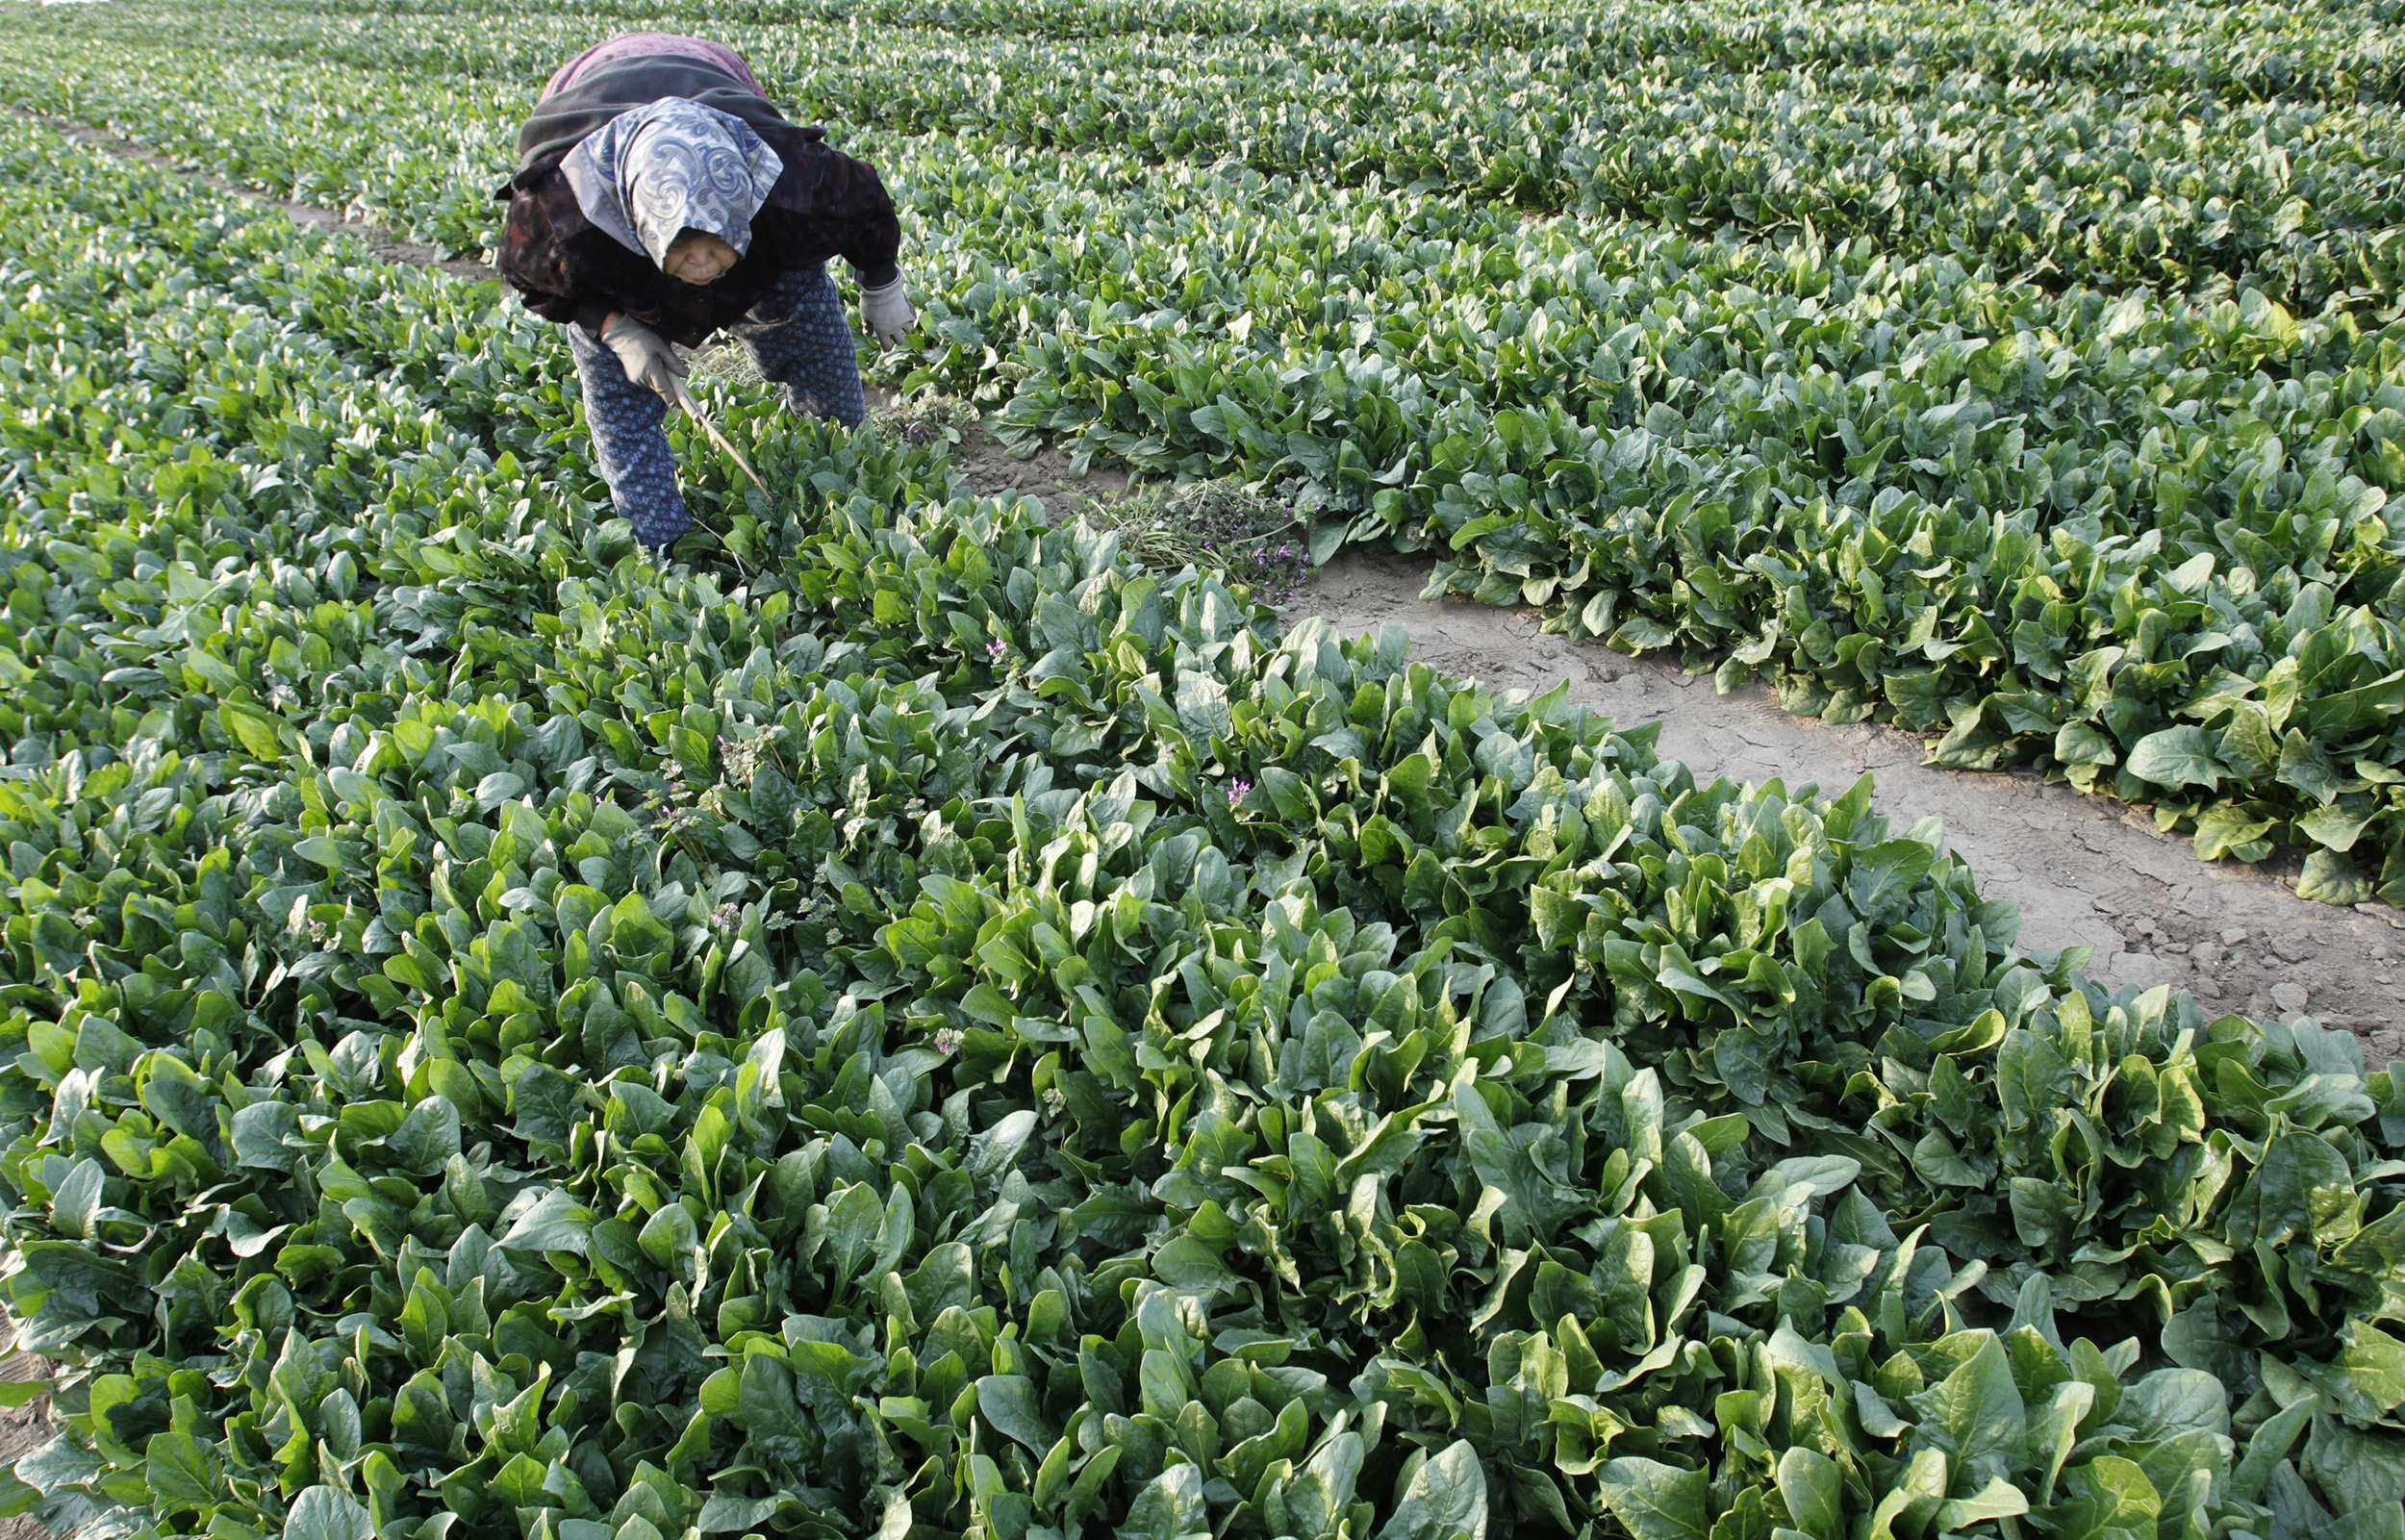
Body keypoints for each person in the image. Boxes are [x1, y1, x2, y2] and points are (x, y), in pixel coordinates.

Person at [494, 33, 915, 550]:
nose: (699, 265)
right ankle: (661, 544)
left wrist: (882, 282)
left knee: (797, 313)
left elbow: (865, 205)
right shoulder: (565, 219)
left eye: (716, 244)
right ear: (643, 225)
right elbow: (528, 276)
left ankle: (839, 472)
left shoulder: (793, 187)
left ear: (742, 213)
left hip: (707, 76)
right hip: (584, 100)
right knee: (619, 393)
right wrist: (614, 327)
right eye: (680, 248)